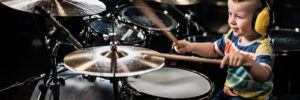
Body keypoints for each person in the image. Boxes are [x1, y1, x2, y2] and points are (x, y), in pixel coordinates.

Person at [171, 0, 274, 99]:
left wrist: (245, 60)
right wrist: (191, 46)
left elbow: (264, 75)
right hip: (229, 91)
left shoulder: (262, 47)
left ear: (260, 20)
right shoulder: (232, 37)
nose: (231, 21)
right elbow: (213, 49)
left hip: (250, 97)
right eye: (230, 14)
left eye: (239, 17)